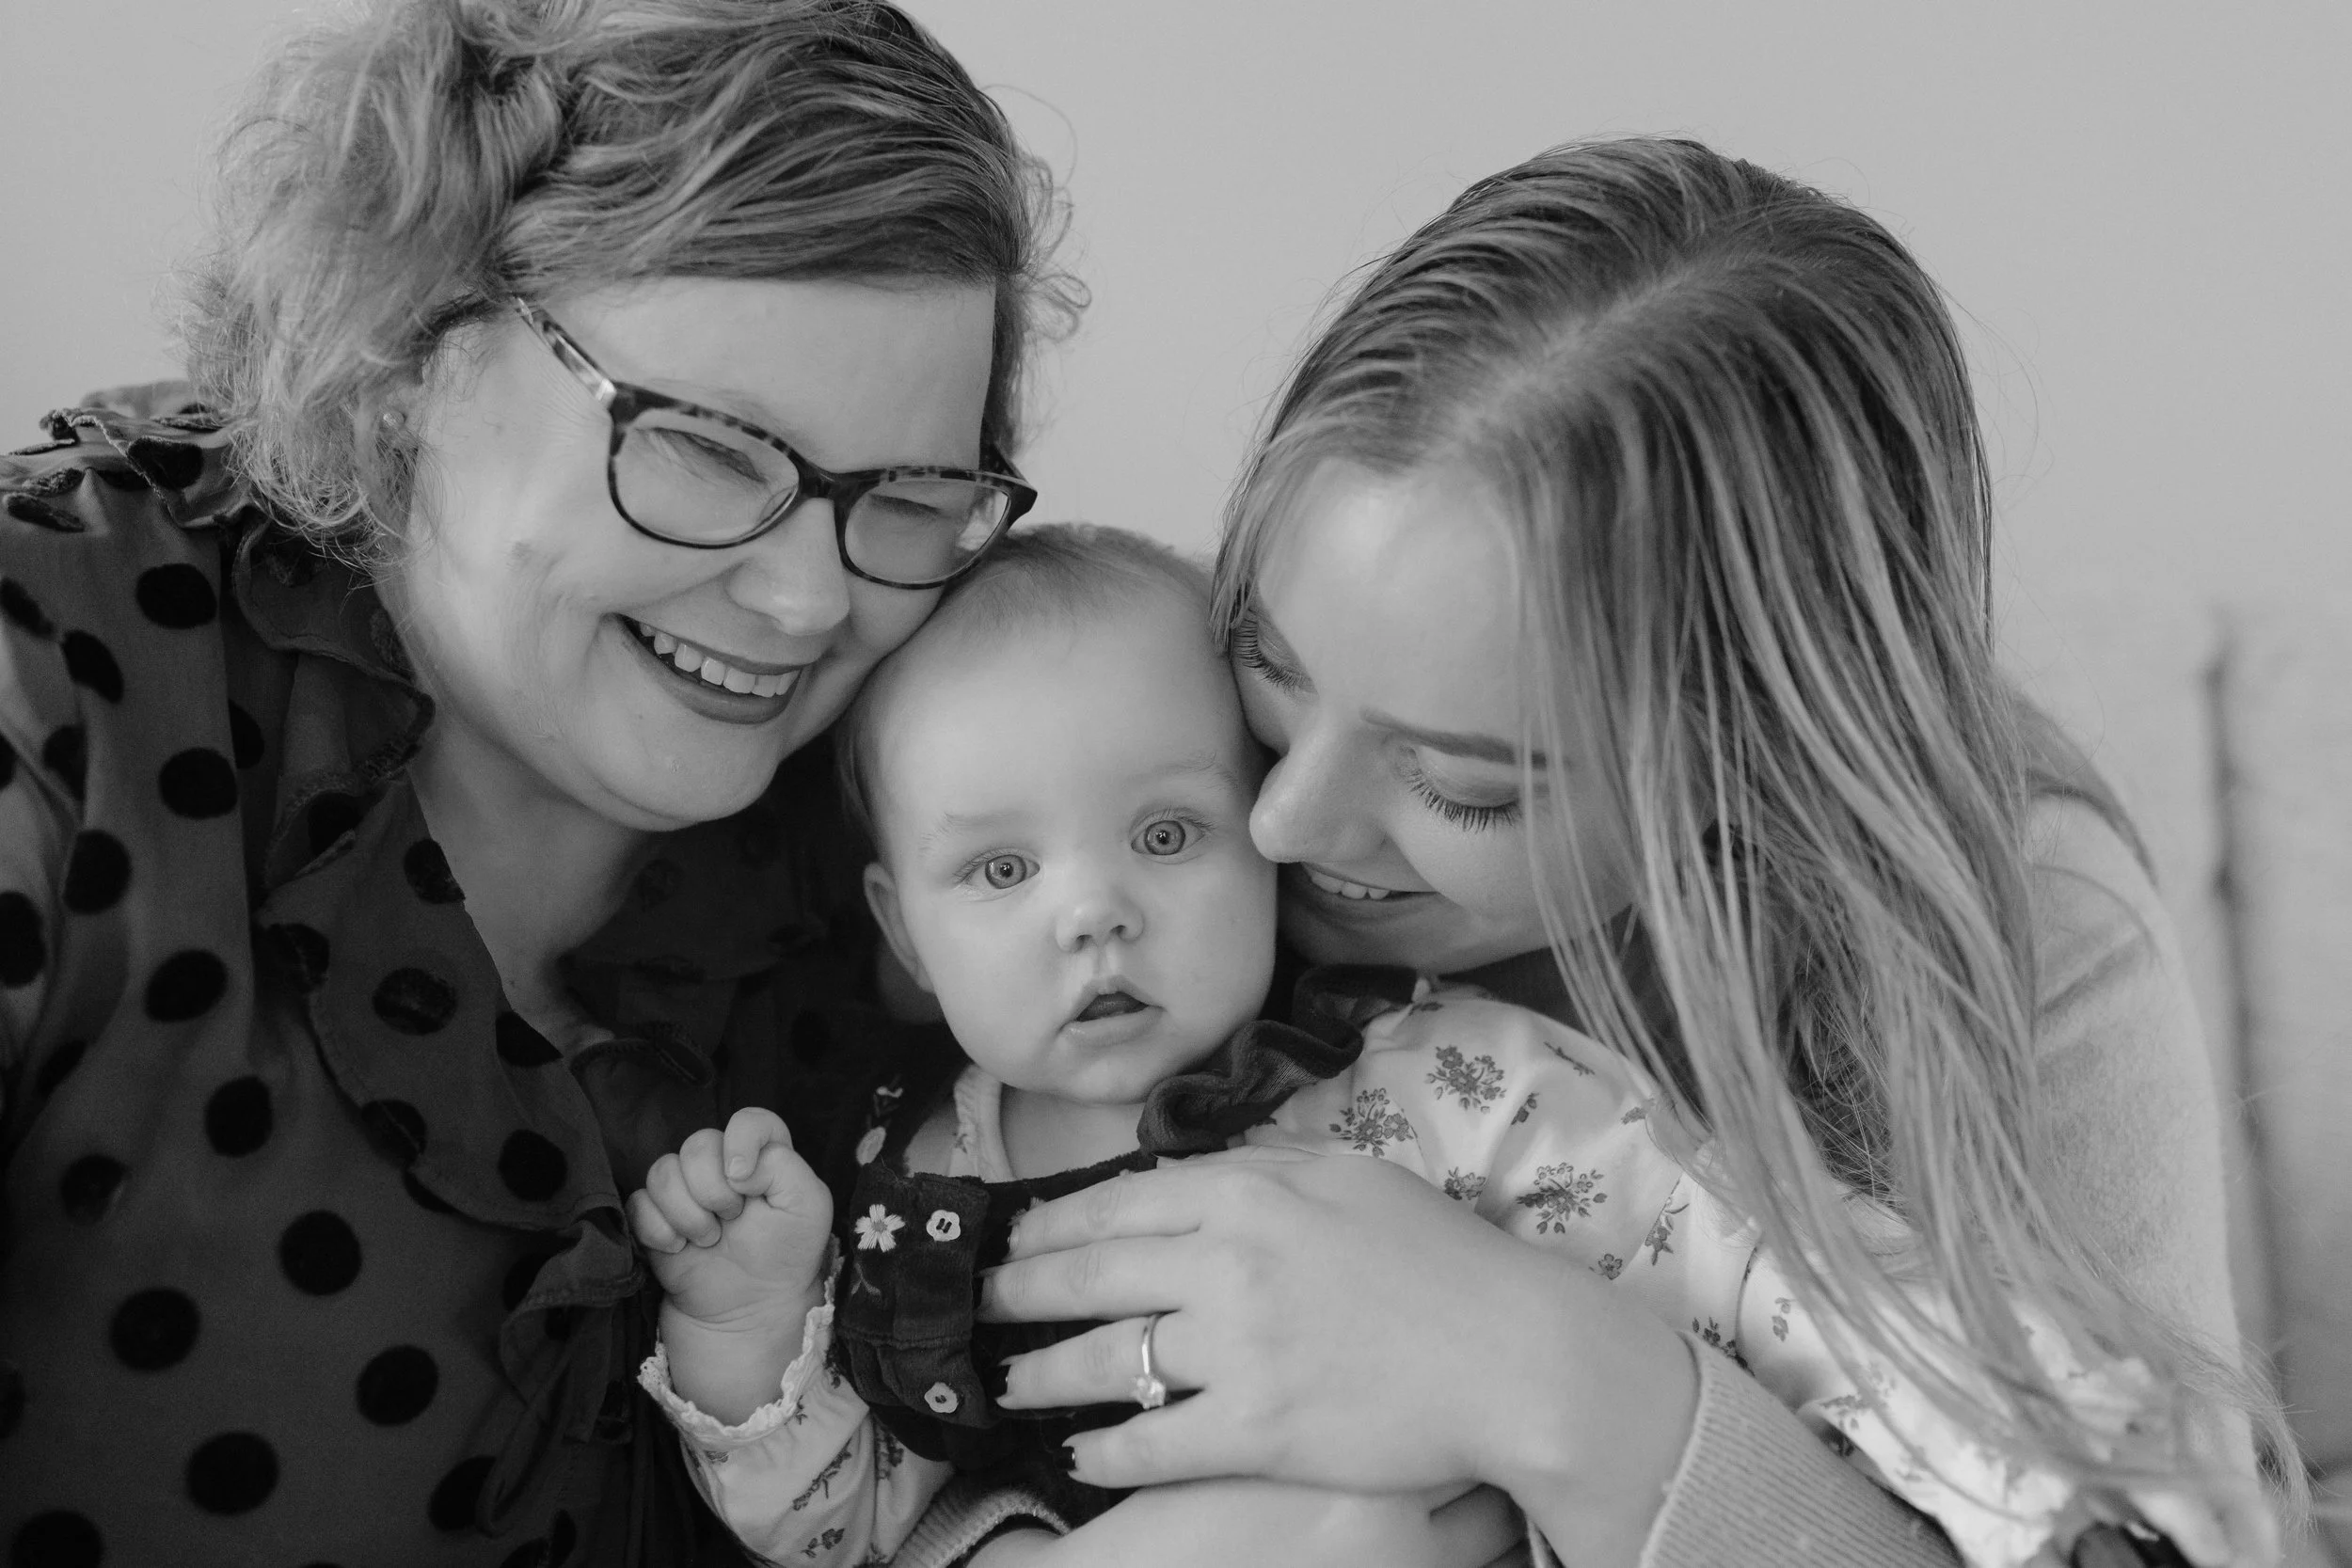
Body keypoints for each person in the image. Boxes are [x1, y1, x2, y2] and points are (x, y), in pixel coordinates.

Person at [960, 140, 2302, 1568]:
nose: (1284, 819)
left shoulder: (2022, 921)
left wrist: (1560, 1391)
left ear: (1747, 767)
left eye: (1463, 783)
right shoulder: (1127, 751)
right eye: (1270, 665)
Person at [0, 0, 1073, 1560]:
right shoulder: (51, 677)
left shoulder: (940, 829)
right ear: (405, 355)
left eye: (907, 494)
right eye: (710, 447)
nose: (807, 600)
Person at [629, 524, 2218, 1568]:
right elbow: (839, 1528)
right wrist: (745, 1334)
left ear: (1257, 839)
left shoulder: (1449, 1085)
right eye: (998, 869)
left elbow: (1789, 1283)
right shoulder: (897, 1189)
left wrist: (2051, 1482)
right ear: (905, 933)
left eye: (1168, 833)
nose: (1093, 912)